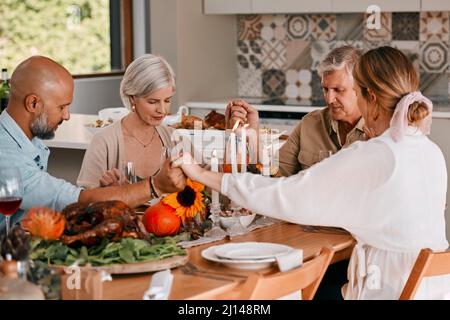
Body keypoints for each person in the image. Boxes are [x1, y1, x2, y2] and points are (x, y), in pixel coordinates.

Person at [177, 46, 450, 299]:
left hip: (386, 290)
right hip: (430, 289)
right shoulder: (430, 151)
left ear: (371, 98)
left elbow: (285, 195)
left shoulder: (374, 154)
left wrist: (201, 174)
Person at [0, 56, 186, 233]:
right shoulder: (6, 154)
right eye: (62, 107)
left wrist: (107, 196)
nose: (67, 116)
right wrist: (154, 186)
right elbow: (69, 200)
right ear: (33, 103)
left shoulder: (29, 141)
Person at [226, 46, 365, 175]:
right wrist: (253, 138)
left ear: (361, 87)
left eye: (338, 90)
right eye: (325, 89)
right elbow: (274, 175)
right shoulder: (310, 123)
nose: (329, 99)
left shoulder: (380, 130)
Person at [77, 54, 178, 189]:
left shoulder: (174, 138)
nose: (162, 110)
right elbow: (84, 201)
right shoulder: (104, 142)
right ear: (131, 98)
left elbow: (205, 179)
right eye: (152, 102)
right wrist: (106, 192)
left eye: (167, 100)